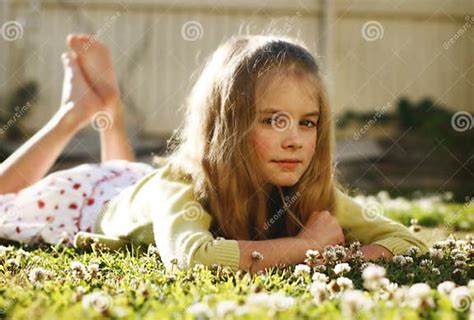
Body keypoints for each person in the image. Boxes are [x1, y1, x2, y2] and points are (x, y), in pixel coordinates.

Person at [0, 33, 429, 274]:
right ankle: (75, 113)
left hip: (138, 189)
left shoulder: (307, 189)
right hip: (89, 200)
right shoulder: (181, 185)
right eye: (272, 120)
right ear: (225, 126)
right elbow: (192, 258)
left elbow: (405, 240)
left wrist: (341, 255)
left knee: (127, 171)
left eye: (307, 122)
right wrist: (307, 247)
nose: (295, 139)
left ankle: (108, 109)